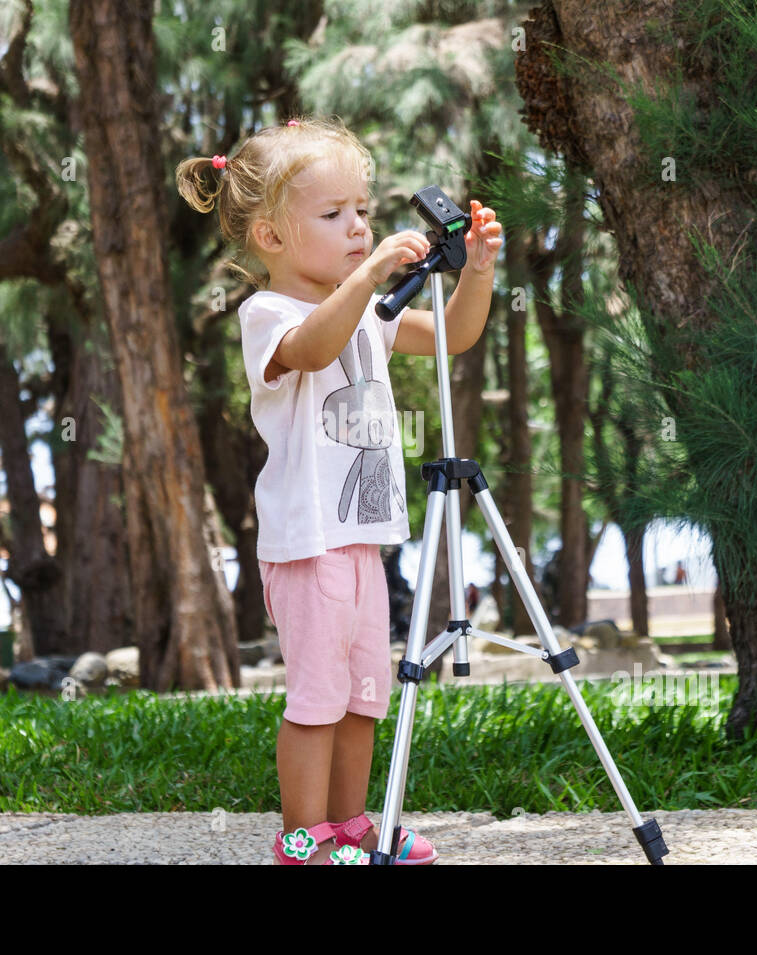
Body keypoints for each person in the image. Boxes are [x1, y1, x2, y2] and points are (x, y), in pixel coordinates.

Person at [176, 116, 503, 864]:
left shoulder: (372, 316)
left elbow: (454, 336)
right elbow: (314, 345)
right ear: (271, 238)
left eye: (362, 210)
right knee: (318, 702)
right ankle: (302, 838)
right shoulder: (269, 315)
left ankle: (353, 825)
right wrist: (370, 275)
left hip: (363, 542)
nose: (358, 227)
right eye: (334, 215)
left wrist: (477, 271)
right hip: (308, 544)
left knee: (364, 699)